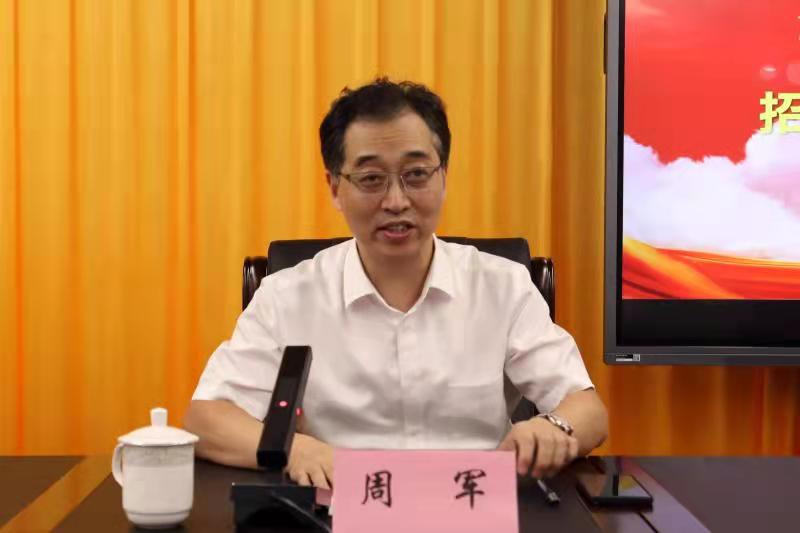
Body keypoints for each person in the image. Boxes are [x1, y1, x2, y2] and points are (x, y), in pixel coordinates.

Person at [184, 79, 608, 490]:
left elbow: (588, 410)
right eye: (371, 179)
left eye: (416, 174)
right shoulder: (286, 297)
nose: (396, 201)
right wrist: (293, 449)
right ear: (335, 188)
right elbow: (206, 419)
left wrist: (553, 427)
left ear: (444, 176)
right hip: (341, 506)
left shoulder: (503, 287)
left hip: (472, 504)